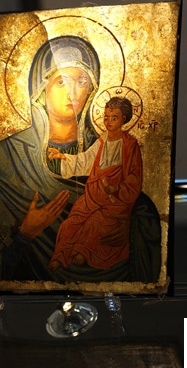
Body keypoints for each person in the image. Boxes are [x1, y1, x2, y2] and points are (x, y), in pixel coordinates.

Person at [0, 35, 161, 284]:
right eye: (61, 81)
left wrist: (128, 223)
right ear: (40, 90)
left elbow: (141, 205)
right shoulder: (0, 163)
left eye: (81, 81)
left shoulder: (109, 145)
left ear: (92, 89)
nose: (72, 92)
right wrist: (25, 233)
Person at [47, 96, 142, 272]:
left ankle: (83, 252)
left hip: (115, 200)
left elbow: (134, 177)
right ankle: (60, 256)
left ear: (124, 119)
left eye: (114, 118)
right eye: (106, 117)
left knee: (96, 221)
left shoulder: (130, 145)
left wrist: (117, 188)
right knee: (71, 223)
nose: (109, 121)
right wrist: (63, 156)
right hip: (93, 194)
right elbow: (86, 161)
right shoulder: (102, 140)